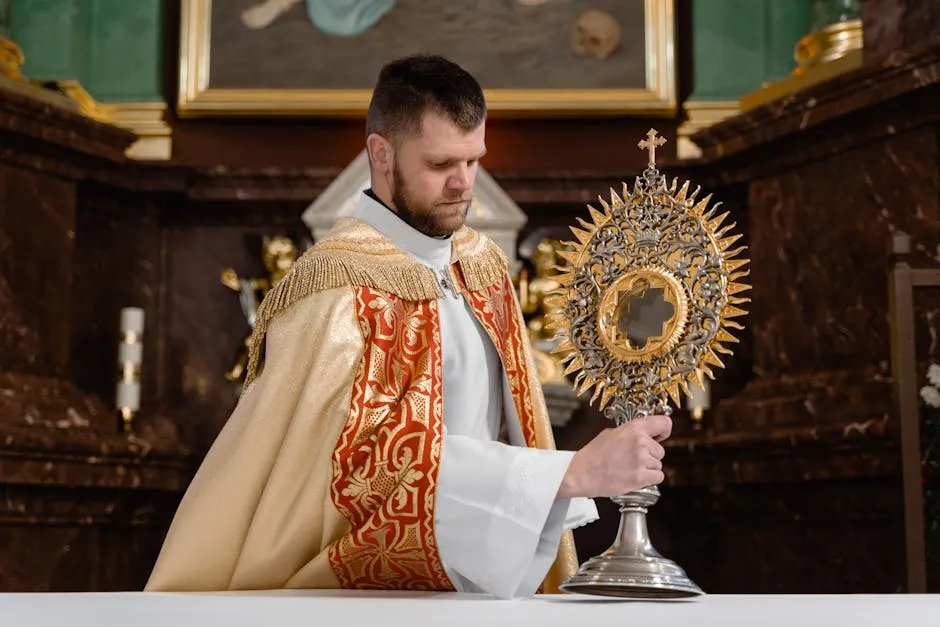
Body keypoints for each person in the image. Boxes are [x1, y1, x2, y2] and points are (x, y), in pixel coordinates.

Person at [144, 53, 672, 599]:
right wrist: (569, 476)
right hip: (356, 596)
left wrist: (547, 486)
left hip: (476, 580)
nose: (463, 184)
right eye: (442, 164)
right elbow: (365, 467)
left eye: (473, 161)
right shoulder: (334, 288)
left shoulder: (481, 264)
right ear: (381, 153)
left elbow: (513, 431)